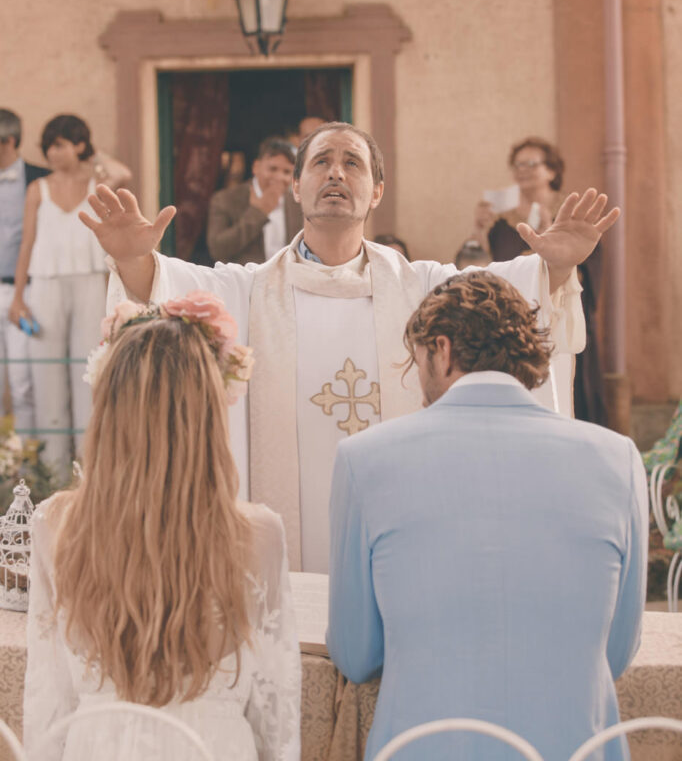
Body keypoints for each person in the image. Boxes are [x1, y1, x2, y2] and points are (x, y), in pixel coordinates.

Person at [81, 121, 618, 573]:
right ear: (295, 187)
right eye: (321, 162)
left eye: (353, 163)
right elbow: (171, 290)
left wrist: (555, 267)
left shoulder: (422, 287)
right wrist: (135, 262)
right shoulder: (246, 292)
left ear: (377, 191)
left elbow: (500, 300)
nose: (336, 173)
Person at [327, 271, 648, 761]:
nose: (418, 385)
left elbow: (356, 653)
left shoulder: (364, 458)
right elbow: (616, 650)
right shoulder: (618, 457)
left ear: (443, 350)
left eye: (418, 364)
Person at [24, 291, 300, 761]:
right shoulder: (260, 534)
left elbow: (47, 704)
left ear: (108, 411)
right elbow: (275, 715)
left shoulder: (55, 524)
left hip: (97, 747)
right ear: (210, 412)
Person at [10, 114, 131, 480]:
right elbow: (27, 244)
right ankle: (52, 474)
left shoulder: (99, 183)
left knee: (88, 373)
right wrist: (18, 297)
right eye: (49, 145)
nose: (52, 152)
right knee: (46, 376)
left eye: (60, 144)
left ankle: (89, 472)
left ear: (79, 144)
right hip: (44, 286)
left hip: (90, 283)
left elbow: (121, 171)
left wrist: (92, 155)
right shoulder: (38, 189)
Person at [456, 137, 608, 425]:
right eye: (517, 165)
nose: (522, 170)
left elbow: (588, 272)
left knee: (573, 399)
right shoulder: (501, 224)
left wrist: (556, 248)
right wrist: (478, 229)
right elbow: (479, 272)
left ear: (551, 171)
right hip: (516, 327)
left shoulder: (574, 215)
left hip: (560, 321)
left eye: (531, 163)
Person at [0, 108, 48, 435]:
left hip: (25, 293)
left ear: (10, 141)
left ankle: (29, 468)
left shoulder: (40, 180)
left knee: (23, 382)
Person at [207, 137, 302, 265]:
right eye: (273, 169)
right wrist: (259, 212)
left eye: (286, 172)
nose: (279, 177)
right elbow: (218, 250)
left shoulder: (298, 202)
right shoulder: (225, 199)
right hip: (243, 281)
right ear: (256, 167)